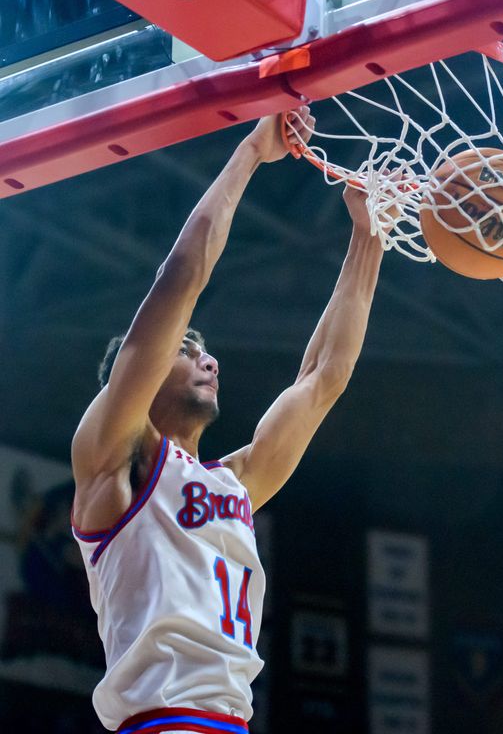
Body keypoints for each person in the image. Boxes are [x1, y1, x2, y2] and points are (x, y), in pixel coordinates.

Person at [71, 108, 385, 734]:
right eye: (185, 350)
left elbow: (322, 378)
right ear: (138, 375)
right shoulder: (115, 461)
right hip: (164, 722)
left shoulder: (234, 484)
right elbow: (181, 280)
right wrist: (251, 150)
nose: (207, 358)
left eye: (202, 349)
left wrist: (369, 232)